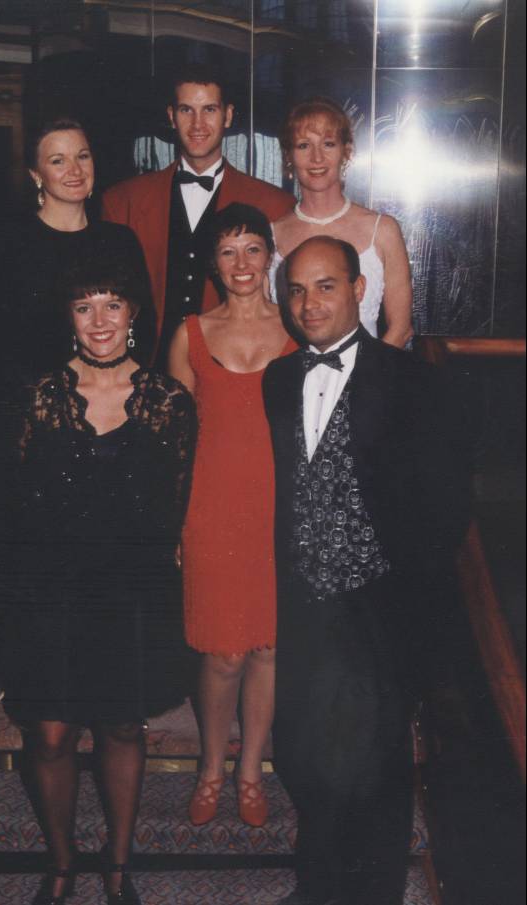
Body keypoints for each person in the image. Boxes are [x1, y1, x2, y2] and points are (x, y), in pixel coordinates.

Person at [262, 236, 469, 905]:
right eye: (297, 290)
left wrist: (410, 606)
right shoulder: (278, 380)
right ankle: (317, 887)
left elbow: (446, 505)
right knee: (304, 753)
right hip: (306, 606)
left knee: (375, 766)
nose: (309, 303)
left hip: (381, 608)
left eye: (325, 286)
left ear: (358, 289)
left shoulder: (413, 381)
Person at [0, 253, 196, 905]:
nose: (100, 320)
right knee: (51, 733)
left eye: (112, 304)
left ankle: (117, 862)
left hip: (130, 592)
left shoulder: (168, 401)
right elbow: (9, 501)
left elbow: (176, 502)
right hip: (48, 589)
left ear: (134, 313)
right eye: (85, 306)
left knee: (121, 727)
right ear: (69, 317)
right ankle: (61, 862)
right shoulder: (37, 396)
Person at [169, 203, 297, 828]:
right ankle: (210, 768)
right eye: (228, 251)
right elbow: (171, 440)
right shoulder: (190, 333)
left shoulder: (298, 327)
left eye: (252, 248)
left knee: (268, 648)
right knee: (222, 653)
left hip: (280, 509)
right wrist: (173, 522)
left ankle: (251, 773)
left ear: (270, 255)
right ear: (213, 264)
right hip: (211, 507)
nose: (241, 263)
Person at [102, 63, 293, 366]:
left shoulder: (273, 204)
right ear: (171, 116)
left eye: (209, 110)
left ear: (228, 115)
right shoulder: (122, 201)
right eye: (186, 110)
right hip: (144, 369)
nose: (197, 124)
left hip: (229, 368)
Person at [0, 117, 152, 385]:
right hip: (31, 394)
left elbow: (143, 328)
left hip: (110, 393)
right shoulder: (11, 243)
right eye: (58, 161)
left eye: (82, 156)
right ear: (36, 175)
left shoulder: (121, 241)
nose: (75, 170)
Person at [270, 97, 413, 348]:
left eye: (328, 144)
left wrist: (366, 372)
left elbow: (400, 329)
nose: (317, 158)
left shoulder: (382, 230)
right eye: (304, 146)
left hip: (371, 371)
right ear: (289, 156)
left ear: (346, 151)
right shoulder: (272, 234)